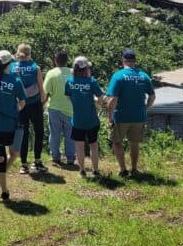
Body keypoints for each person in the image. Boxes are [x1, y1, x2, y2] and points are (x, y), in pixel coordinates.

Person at [0, 50, 26, 201]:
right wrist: (13, 110)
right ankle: (5, 191)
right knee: (6, 156)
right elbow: (22, 102)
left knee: (7, 155)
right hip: (11, 124)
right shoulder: (15, 81)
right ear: (10, 63)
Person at [106, 49, 156, 178]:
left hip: (121, 116)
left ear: (123, 60)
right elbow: (152, 96)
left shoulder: (118, 76)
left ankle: (123, 170)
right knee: (134, 143)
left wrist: (109, 117)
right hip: (139, 116)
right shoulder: (143, 76)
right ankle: (134, 169)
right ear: (134, 61)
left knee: (117, 142)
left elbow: (112, 100)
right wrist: (145, 109)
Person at [65, 56, 103, 179]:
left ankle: (82, 171)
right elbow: (100, 99)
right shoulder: (92, 81)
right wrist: (96, 103)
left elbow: (69, 97)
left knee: (79, 146)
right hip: (92, 120)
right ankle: (95, 171)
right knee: (93, 145)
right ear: (85, 68)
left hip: (77, 120)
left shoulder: (69, 82)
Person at [13, 43, 47, 174]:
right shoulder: (35, 68)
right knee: (38, 131)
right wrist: (43, 102)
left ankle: (23, 165)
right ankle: (37, 162)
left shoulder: (13, 68)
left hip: (20, 105)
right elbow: (41, 89)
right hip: (34, 104)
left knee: (23, 133)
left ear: (18, 53)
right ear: (30, 54)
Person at [42, 50, 75, 168]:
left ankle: (56, 157)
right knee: (70, 135)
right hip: (71, 108)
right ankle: (71, 158)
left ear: (55, 61)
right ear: (67, 60)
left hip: (54, 108)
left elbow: (45, 93)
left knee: (55, 134)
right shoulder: (73, 73)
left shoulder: (51, 73)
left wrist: (42, 105)